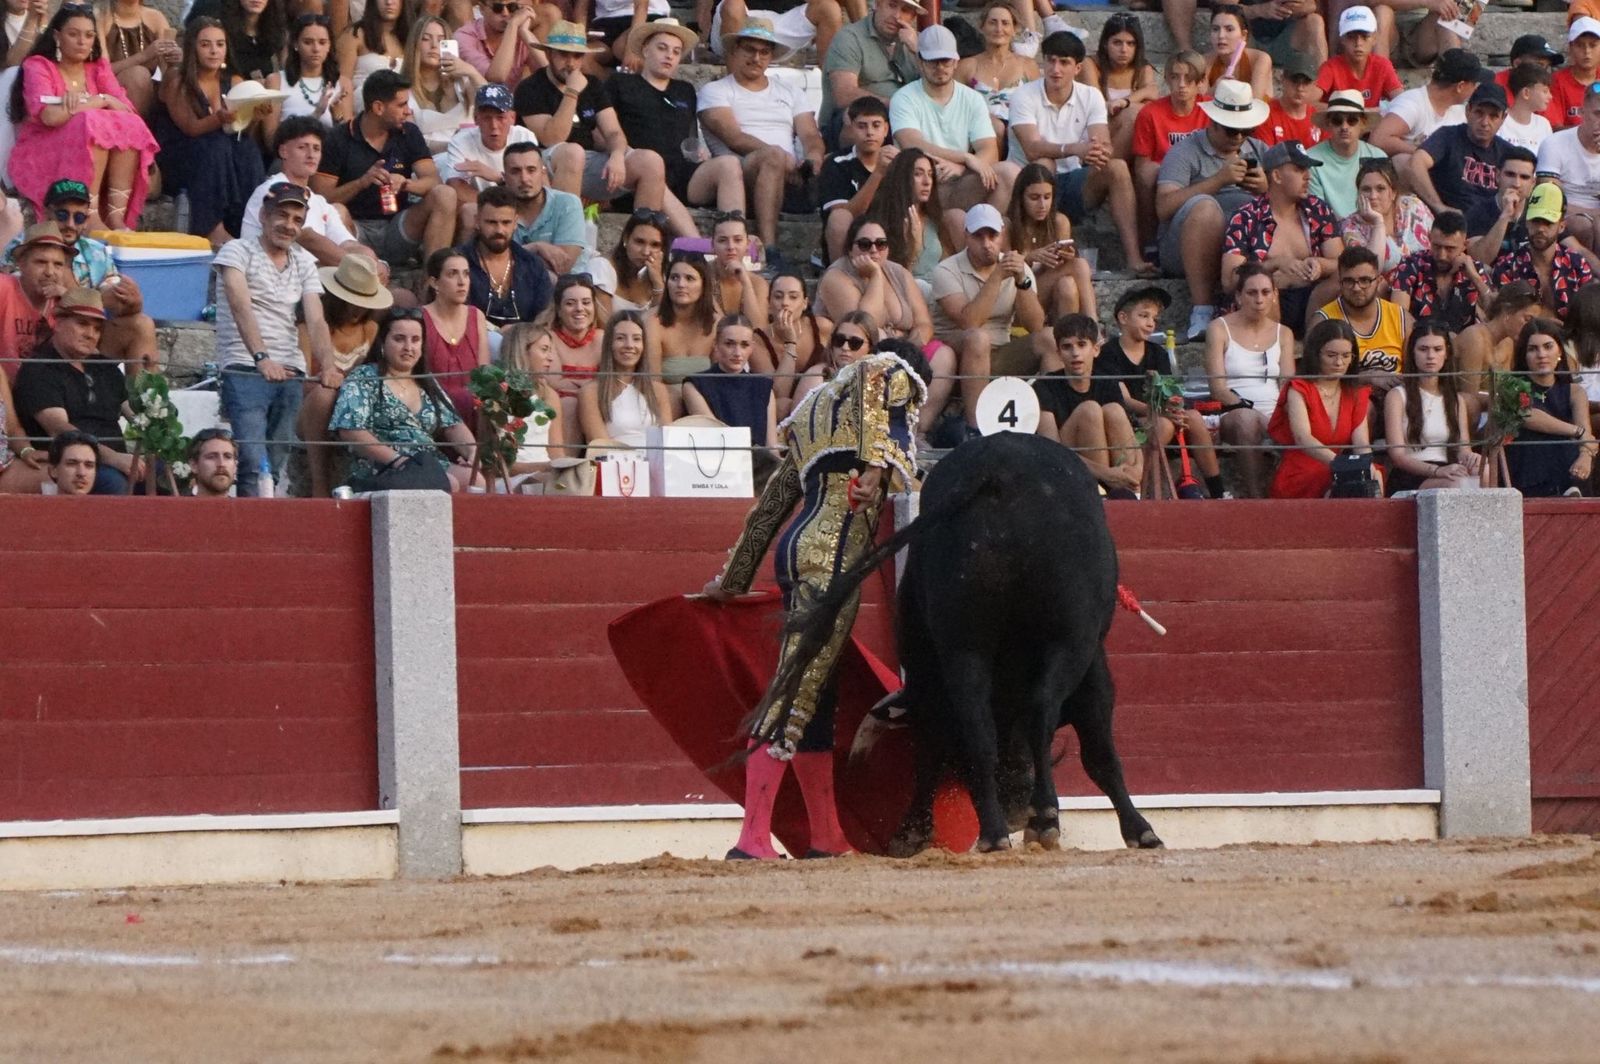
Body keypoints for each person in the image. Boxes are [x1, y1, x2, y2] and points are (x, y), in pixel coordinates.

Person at [700, 348, 927, 860]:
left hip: (798, 548)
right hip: (831, 555)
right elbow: (876, 377)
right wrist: (875, 468)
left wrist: (732, 581)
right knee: (796, 692)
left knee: (817, 696)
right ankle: (752, 839)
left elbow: (772, 505)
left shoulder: (811, 415)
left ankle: (826, 835)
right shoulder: (890, 371)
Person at [214, 183, 338, 497]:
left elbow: (316, 319)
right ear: (263, 216)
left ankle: (266, 522)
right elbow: (240, 306)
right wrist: (261, 358)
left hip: (290, 369)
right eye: (282, 215)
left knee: (277, 461)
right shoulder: (237, 251)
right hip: (244, 365)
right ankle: (251, 526)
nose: (289, 225)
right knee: (252, 460)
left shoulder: (303, 261)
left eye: (297, 220)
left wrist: (328, 365)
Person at [1009, 30, 1152, 277]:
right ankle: (1038, 256)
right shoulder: (1024, 94)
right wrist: (1074, 148)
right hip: (1029, 185)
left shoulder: (1090, 95)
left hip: (1074, 180)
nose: (1056, 69)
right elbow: (1032, 148)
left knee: (1117, 167)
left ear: (1077, 68)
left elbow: (1102, 142)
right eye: (1051, 61)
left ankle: (1134, 259)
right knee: (1044, 164)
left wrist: (1098, 151)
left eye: (1064, 63)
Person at [7, 3, 159, 231]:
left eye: (89, 35)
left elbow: (126, 111)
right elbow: (49, 117)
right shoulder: (38, 66)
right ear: (57, 36)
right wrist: (98, 101)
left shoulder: (98, 68)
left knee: (126, 124)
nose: (82, 42)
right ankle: (90, 214)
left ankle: (117, 217)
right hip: (44, 149)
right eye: (73, 34)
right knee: (91, 122)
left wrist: (87, 103)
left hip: (94, 149)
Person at [518, 21, 679, 234]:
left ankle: (642, 239)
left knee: (651, 161)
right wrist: (572, 93)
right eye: (563, 55)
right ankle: (566, 235)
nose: (571, 63)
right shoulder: (531, 87)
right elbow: (552, 138)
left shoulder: (592, 84)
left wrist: (617, 155)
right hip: (544, 164)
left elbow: (613, 131)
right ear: (549, 54)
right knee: (572, 152)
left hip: (586, 161)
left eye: (577, 56)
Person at [698, 19, 826, 263]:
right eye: (750, 49)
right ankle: (770, 248)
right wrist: (784, 159)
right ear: (735, 51)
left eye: (764, 52)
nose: (756, 58)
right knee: (773, 156)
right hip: (738, 173)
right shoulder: (715, 90)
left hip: (789, 174)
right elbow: (734, 138)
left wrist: (813, 157)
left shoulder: (790, 91)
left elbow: (810, 135)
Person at [814, 215, 954, 432]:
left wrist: (910, 349)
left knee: (944, 355)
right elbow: (864, 325)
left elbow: (924, 322)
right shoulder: (836, 277)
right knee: (878, 335)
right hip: (858, 351)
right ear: (850, 249)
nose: (874, 250)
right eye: (864, 244)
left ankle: (918, 428)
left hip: (904, 348)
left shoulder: (899, 272)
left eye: (881, 244)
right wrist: (876, 276)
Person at [1155, 78, 1269, 341]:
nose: (1238, 137)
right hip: (1185, 245)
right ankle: (1202, 310)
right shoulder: (1185, 151)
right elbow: (1164, 207)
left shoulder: (1259, 150)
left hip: (1239, 244)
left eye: (1245, 130)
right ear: (1213, 122)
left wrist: (1266, 188)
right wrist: (1217, 181)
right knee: (1205, 208)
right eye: (1231, 131)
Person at [4, 179, 158, 373]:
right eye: (62, 215)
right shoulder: (24, 247)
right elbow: (24, 292)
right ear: (46, 213)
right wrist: (89, 298)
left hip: (88, 338)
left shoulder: (96, 252)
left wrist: (132, 303)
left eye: (78, 218)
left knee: (141, 324)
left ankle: (145, 392)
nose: (70, 224)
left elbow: (116, 299)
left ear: (86, 220)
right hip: (35, 336)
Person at [312, 69, 460, 266]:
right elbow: (322, 199)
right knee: (336, 211)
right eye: (401, 105)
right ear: (378, 107)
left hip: (398, 226)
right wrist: (361, 183)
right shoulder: (338, 138)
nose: (408, 111)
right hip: (354, 229)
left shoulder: (409, 132)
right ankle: (351, 279)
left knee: (445, 194)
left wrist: (406, 184)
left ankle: (434, 278)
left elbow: (434, 181)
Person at [605, 20, 745, 222]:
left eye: (676, 51)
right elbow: (603, 132)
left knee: (729, 164)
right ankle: (692, 238)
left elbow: (690, 136)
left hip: (681, 173)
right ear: (645, 50)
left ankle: (734, 231)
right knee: (652, 169)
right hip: (641, 171)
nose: (669, 55)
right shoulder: (620, 83)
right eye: (662, 48)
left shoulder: (685, 90)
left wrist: (698, 151)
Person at [330, 307, 480, 492]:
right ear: (383, 342)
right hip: (383, 466)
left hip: (428, 465)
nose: (408, 347)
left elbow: (453, 425)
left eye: (415, 340)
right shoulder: (364, 377)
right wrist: (399, 461)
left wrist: (472, 452)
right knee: (449, 483)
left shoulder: (427, 381)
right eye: (399, 339)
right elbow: (350, 431)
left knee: (475, 481)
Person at [931, 203, 1047, 430]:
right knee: (978, 338)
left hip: (1000, 352)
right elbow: (970, 322)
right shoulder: (945, 270)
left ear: (1002, 235)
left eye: (992, 235)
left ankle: (1049, 421)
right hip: (957, 354)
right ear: (966, 236)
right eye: (978, 236)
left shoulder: (1018, 267)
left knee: (1050, 338)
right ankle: (975, 427)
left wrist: (1021, 281)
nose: (986, 244)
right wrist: (997, 276)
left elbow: (1036, 325)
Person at [890, 24, 1017, 228]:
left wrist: (961, 168)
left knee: (1009, 173)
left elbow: (989, 151)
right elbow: (912, 144)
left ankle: (987, 235)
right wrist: (965, 158)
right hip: (919, 184)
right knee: (953, 212)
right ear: (920, 62)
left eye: (945, 60)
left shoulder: (972, 98)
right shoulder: (903, 98)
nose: (940, 67)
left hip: (959, 182)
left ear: (956, 61)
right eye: (933, 61)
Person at [13, 289, 139, 494]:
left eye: (97, 329)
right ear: (58, 323)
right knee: (114, 483)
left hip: (120, 463)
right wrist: (114, 458)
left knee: (167, 474)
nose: (90, 334)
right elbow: (60, 429)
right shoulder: (39, 369)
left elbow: (135, 415)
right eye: (82, 324)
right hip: (75, 467)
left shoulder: (105, 368)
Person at [154, 17, 267, 243]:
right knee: (216, 145)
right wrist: (219, 118)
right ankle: (211, 227)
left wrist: (253, 118)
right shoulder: (177, 79)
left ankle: (248, 222)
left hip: (220, 151)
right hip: (182, 154)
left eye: (220, 44)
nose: (214, 51)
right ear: (192, 48)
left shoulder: (234, 80)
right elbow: (191, 128)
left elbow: (238, 130)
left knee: (247, 148)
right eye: (205, 45)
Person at [1220, 139, 1343, 337]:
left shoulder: (1317, 209)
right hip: (1265, 304)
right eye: (1299, 170)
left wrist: (1320, 265)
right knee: (1262, 287)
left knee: (1343, 280)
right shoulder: (1246, 217)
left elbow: (1341, 263)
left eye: (1307, 170)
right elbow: (1229, 281)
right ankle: (1272, 346)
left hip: (1312, 299)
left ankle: (1315, 344)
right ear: (1276, 176)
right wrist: (1274, 265)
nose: (1308, 176)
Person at [242, 117, 383, 287]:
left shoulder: (319, 202)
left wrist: (371, 260)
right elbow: (309, 239)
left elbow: (347, 243)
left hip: (308, 279)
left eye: (316, 149)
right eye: (302, 147)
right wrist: (363, 271)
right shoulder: (273, 189)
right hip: (271, 281)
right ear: (283, 151)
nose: (311, 155)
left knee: (399, 294)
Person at [296, 252, 390, 497]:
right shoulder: (307, 328)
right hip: (311, 408)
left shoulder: (372, 329)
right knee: (324, 395)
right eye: (351, 301)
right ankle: (319, 484)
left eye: (363, 302)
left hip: (355, 407)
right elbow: (301, 382)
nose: (357, 308)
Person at [1204, 262, 1294, 498]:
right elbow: (1218, 388)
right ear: (1238, 296)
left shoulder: (1284, 333)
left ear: (1275, 295)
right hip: (1234, 411)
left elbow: (1288, 384)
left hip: (1274, 411)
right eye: (1252, 293)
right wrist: (1258, 416)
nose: (1259, 300)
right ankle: (1256, 498)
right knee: (1246, 420)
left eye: (1265, 292)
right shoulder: (1218, 328)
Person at [1032, 312, 1142, 498]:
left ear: (1096, 350)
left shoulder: (1107, 383)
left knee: (1114, 410)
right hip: (1069, 471)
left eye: (1082, 345)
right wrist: (1105, 474)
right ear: (1058, 353)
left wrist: (1137, 469)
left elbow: (1131, 438)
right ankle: (1100, 491)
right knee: (1089, 410)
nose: (1075, 353)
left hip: (1114, 471)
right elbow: (1052, 450)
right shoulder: (1044, 386)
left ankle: (1129, 489)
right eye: (1067, 347)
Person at [1266, 318, 1371, 499]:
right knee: (1337, 480)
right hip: (1301, 470)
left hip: (1339, 467)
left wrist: (1365, 467)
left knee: (1374, 475)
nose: (1339, 363)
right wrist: (1341, 465)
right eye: (1331, 355)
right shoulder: (1298, 388)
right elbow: (1303, 438)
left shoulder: (1356, 393)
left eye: (1346, 356)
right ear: (1316, 354)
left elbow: (1361, 443)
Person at [1382, 324, 1479, 494]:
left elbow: (1463, 450)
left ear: (1446, 353)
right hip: (1412, 474)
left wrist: (1472, 458)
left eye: (1437, 349)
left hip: (1448, 469)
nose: (1431, 356)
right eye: (1423, 349)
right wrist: (1436, 471)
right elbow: (1398, 456)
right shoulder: (1397, 396)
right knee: (1457, 484)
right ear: (1412, 353)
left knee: (1484, 472)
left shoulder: (1456, 400)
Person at [1505, 316, 1595, 496]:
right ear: (1524, 355)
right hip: (1529, 469)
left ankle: (1572, 491)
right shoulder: (1512, 386)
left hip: (1570, 470)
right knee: (1543, 438)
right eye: (1533, 349)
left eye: (1548, 346)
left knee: (1576, 454)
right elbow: (1527, 415)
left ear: (1559, 350)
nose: (1541, 355)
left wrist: (1585, 456)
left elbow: (1586, 434)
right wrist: (1577, 432)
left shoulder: (1575, 391)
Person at [1314, 247, 1410, 413]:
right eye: (1349, 281)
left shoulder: (1402, 319)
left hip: (1396, 400)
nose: (1357, 288)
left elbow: (1417, 371)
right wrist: (1369, 377)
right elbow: (1315, 378)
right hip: (1345, 403)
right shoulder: (1324, 321)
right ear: (1340, 282)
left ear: (1379, 281)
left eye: (1365, 280)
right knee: (1365, 408)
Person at [818, 0, 922, 150]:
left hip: (906, 119)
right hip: (852, 123)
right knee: (859, 114)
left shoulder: (916, 43)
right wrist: (896, 105)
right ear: (877, 4)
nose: (897, 16)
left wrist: (918, 52)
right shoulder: (849, 37)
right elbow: (844, 94)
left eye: (905, 10)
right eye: (891, 5)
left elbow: (940, 85)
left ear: (913, 17)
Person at [1130, 49, 1207, 247]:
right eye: (1175, 77)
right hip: (1166, 176)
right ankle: (1150, 242)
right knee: (1147, 175)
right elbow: (1142, 166)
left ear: (1200, 82)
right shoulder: (1150, 113)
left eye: (1189, 78)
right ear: (1166, 79)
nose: (1181, 84)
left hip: (1204, 172)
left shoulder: (1211, 110)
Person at [1491, 183, 1595, 323]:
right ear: (1527, 222)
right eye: (1536, 221)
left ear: (1561, 226)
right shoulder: (1507, 267)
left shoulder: (1578, 265)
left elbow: (1589, 317)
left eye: (1548, 222)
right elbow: (1503, 320)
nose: (1540, 228)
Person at [1003, 161, 1094, 319]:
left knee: (1068, 285)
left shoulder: (1059, 222)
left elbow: (1060, 269)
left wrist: (1065, 257)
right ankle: (1094, 326)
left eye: (1047, 197)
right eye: (1034, 198)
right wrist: (1029, 258)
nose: (1042, 205)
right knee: (1079, 266)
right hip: (1016, 294)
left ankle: (1072, 330)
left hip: (1045, 289)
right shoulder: (1007, 225)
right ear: (1021, 198)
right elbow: (1003, 271)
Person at [1369, 48, 1480, 175]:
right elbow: (1378, 139)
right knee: (1405, 160)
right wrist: (1424, 153)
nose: (1475, 89)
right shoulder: (1411, 103)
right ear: (1460, 86)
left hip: (1446, 179)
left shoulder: (1459, 112)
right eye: (1474, 84)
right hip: (1405, 179)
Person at [1409, 83, 1510, 221]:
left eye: (1493, 116)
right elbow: (1416, 162)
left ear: (1503, 118)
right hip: (1449, 221)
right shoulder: (1448, 136)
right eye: (1479, 113)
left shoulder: (1507, 152)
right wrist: (1439, 206)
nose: (1485, 122)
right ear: (1468, 111)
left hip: (1490, 224)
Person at [458, 185, 552, 330]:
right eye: (491, 222)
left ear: (515, 222)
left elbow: (544, 315)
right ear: (477, 221)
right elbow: (455, 312)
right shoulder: (458, 262)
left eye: (506, 222)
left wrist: (519, 334)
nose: (499, 230)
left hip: (523, 340)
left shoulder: (533, 265)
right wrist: (495, 332)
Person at [818, 95, 897, 263]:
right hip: (854, 244)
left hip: (889, 238)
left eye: (876, 125)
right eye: (862, 126)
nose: (870, 132)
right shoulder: (836, 163)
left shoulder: (897, 161)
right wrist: (878, 174)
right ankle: (840, 274)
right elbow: (841, 217)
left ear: (886, 129)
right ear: (852, 129)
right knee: (839, 217)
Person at [684, 313, 779, 448]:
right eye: (729, 344)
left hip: (759, 460)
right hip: (718, 457)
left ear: (752, 348)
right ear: (716, 344)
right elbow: (716, 437)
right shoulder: (695, 385)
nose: (737, 353)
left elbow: (772, 448)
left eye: (744, 345)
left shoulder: (764, 388)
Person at [578, 309, 670, 448]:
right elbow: (600, 444)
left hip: (655, 459)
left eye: (636, 339)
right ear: (609, 344)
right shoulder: (590, 392)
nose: (629, 345)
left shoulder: (658, 390)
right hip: (612, 459)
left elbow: (667, 440)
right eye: (620, 338)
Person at [444, 83, 535, 223]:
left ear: (512, 118)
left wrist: (499, 178)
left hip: (516, 207)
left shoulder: (525, 137)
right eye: (487, 118)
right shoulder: (460, 141)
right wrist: (497, 208)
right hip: (483, 210)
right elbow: (456, 187)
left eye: (500, 117)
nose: (494, 125)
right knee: (469, 212)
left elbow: (537, 183)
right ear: (476, 118)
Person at [415, 247, 488, 422]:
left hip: (475, 410)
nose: (462, 282)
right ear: (434, 282)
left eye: (466, 274)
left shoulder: (476, 316)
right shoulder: (419, 318)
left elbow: (485, 374)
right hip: (432, 410)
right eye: (452, 274)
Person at [868, 147, 956, 290]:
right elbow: (892, 281)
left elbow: (948, 266)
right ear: (902, 178)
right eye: (918, 174)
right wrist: (913, 249)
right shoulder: (882, 222)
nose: (927, 182)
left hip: (939, 291)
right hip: (906, 290)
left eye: (930, 174)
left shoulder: (935, 220)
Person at [1388, 211, 1490, 334]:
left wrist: (1475, 278)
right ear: (1429, 238)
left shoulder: (1475, 269)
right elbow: (1398, 315)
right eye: (1436, 246)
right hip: (1419, 341)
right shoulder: (1411, 264)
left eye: (1450, 249)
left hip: (1463, 343)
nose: (1442, 255)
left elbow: (1494, 315)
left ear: (1465, 245)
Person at [956, 1, 1038, 145]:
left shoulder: (1027, 65)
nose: (999, 29)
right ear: (982, 27)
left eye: (1005, 23)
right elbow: (953, 104)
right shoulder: (968, 66)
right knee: (995, 127)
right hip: (978, 138)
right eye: (992, 23)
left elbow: (1039, 105)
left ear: (1015, 29)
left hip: (1019, 136)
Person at [0, 221, 72, 383]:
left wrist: (70, 302)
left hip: (48, 390)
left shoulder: (65, 301)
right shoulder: (4, 287)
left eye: (58, 265)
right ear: (21, 264)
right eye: (41, 262)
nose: (50, 272)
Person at [1080, 11, 1155, 162]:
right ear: (1105, 44)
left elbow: (1152, 101)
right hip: (1093, 131)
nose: (1124, 50)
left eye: (1130, 43)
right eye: (1117, 43)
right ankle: (1106, 166)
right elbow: (1097, 107)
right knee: (1133, 114)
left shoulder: (1143, 69)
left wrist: (1124, 102)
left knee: (1140, 113)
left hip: (1128, 135)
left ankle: (1114, 166)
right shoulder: (1090, 64)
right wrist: (1142, 93)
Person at [1339, 157, 1433, 277]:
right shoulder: (1350, 227)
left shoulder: (1413, 206)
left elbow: (1438, 242)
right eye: (1366, 189)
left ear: (1393, 193)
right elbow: (1370, 272)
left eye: (1380, 189)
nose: (1373, 196)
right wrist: (1378, 223)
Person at [501, 142, 583, 278]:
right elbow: (490, 261)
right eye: (515, 171)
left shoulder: (567, 203)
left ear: (543, 172)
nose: (524, 179)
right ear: (504, 177)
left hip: (570, 284)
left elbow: (563, 265)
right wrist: (536, 247)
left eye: (531, 170)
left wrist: (513, 257)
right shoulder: (496, 208)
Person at [404, 15, 481, 156]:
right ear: (415, 44)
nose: (434, 45)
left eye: (441, 41)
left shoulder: (463, 82)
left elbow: (493, 102)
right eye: (426, 39)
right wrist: (454, 146)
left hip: (471, 157)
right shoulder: (402, 88)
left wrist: (472, 71)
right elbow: (409, 139)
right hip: (428, 160)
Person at [1535, 89, 1600, 253]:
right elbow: (1549, 198)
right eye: (1598, 114)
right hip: (1564, 211)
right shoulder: (1555, 144)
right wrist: (1593, 213)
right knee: (1582, 225)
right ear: (1582, 113)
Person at [266, 13, 354, 135]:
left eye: (322, 42)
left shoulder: (343, 84)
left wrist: (337, 118)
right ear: (295, 44)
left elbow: (349, 141)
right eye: (308, 42)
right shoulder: (276, 81)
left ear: (329, 46)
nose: (316, 49)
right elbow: (271, 139)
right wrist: (316, 114)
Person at [498, 323, 568, 476]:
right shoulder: (496, 393)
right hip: (511, 478)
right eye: (544, 349)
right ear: (523, 351)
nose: (551, 358)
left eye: (551, 351)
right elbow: (497, 463)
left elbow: (556, 452)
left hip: (546, 473)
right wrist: (544, 468)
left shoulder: (549, 395)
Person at [1307, 91, 1385, 224]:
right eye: (1337, 121)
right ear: (1328, 124)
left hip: (1373, 225)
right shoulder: (1311, 160)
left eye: (1352, 120)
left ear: (1363, 123)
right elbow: (1318, 213)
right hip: (1331, 230)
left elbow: (1386, 205)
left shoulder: (1378, 156)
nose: (1344, 127)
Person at [648, 253, 719, 397]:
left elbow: (721, 380)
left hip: (707, 401)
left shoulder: (716, 323)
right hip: (665, 401)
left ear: (704, 284)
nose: (681, 284)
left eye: (689, 278)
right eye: (674, 278)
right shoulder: (653, 323)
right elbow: (653, 383)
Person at [1456, 280, 1539, 401]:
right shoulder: (1474, 338)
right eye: (1527, 319)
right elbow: (1468, 396)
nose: (1529, 326)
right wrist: (1511, 400)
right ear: (1507, 311)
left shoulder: (1509, 342)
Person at [98, 0, 181, 117]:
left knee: (177, 76)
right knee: (138, 75)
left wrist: (175, 58)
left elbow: (164, 69)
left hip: (154, 86)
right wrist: (144, 56)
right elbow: (102, 71)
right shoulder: (101, 18)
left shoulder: (155, 17)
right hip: (114, 88)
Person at [763, 273, 834, 409]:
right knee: (783, 405)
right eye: (778, 296)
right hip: (782, 410)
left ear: (805, 303)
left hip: (822, 401)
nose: (785, 303)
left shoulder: (822, 327)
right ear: (769, 303)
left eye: (793, 297)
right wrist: (790, 343)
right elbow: (778, 394)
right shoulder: (758, 339)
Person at [1315, 6, 1400, 111]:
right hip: (1340, 121)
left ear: (1374, 38)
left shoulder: (1382, 65)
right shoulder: (1331, 67)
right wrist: (1345, 109)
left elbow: (1402, 100)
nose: (1358, 43)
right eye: (1351, 37)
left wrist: (1369, 111)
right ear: (1342, 39)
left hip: (1372, 120)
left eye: (1365, 37)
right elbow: (1309, 104)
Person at [1465, 148, 1537, 264]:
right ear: (1498, 176)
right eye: (1510, 175)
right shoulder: (1478, 211)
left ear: (1533, 183)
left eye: (1524, 177)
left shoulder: (1539, 211)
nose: (1516, 184)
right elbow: (1480, 259)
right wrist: (1505, 216)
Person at [789, 308, 872, 408]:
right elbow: (799, 416)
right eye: (839, 340)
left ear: (870, 346)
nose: (845, 347)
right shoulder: (818, 377)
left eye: (855, 342)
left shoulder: (879, 376)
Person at [549, 272, 606, 412]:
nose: (579, 308)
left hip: (598, 406)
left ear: (594, 307)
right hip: (560, 410)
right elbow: (554, 383)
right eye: (570, 303)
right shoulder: (548, 339)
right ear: (558, 310)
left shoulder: (604, 338)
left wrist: (574, 384)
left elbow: (610, 384)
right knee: (570, 403)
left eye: (586, 302)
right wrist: (592, 384)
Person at [452, 0, 542, 86]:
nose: (505, 13)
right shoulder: (464, 36)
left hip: (512, 96)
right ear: (482, 9)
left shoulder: (519, 32)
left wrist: (525, 32)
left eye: (511, 7)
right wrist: (512, 25)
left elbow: (547, 73)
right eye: (498, 8)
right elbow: (496, 78)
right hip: (478, 95)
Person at [336, 0, 408, 106]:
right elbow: (342, 82)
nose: (389, 2)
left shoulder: (409, 39)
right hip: (361, 110)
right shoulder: (355, 34)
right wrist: (346, 116)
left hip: (402, 112)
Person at [709, 211, 771, 324]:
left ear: (747, 244)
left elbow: (759, 328)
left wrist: (745, 282)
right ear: (712, 245)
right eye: (722, 240)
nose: (731, 247)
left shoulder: (758, 283)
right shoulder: (702, 276)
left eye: (737, 240)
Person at [1202, 6, 1271, 106]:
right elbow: (1200, 103)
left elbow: (1255, 102)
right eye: (1215, 29)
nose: (1221, 35)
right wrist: (1215, 88)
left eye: (1229, 29)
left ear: (1244, 35)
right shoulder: (1205, 61)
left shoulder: (1260, 59)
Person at [609, 209, 667, 313]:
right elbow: (603, 319)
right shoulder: (604, 268)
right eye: (639, 242)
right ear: (626, 239)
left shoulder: (664, 276)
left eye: (655, 245)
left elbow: (660, 319)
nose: (646, 252)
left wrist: (658, 283)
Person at [1258, 53, 1320, 149]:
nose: (1300, 88)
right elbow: (1265, 156)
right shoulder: (1266, 115)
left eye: (1306, 82)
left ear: (1315, 84)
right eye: (1294, 81)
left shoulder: (1319, 120)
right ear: (1282, 79)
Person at [1552, 18, 1600, 131]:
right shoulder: (1556, 82)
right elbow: (1553, 128)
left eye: (1593, 45)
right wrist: (1588, 132)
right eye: (1580, 45)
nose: (1587, 51)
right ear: (1570, 48)